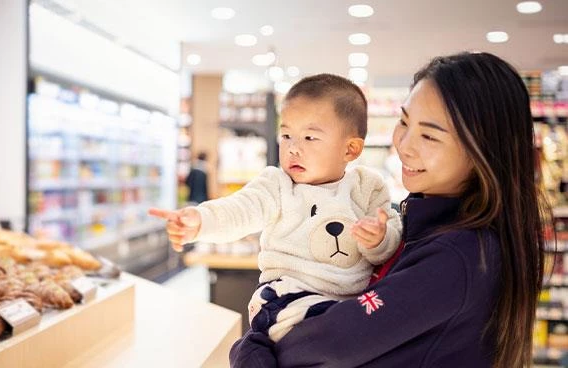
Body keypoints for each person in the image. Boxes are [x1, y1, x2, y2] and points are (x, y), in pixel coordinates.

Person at [227, 52, 549, 368]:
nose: (404, 144)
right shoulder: (431, 226)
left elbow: (331, 344)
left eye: (429, 136)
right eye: (404, 122)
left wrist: (251, 346)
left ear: (483, 150)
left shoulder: (460, 255)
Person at [150, 74, 402, 343]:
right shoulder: (277, 185)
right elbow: (240, 210)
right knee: (319, 331)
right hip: (285, 298)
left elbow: (392, 236)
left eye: (309, 137)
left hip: (348, 304)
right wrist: (201, 221)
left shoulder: (367, 187)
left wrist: (379, 239)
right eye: (286, 135)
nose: (293, 148)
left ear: (350, 149)